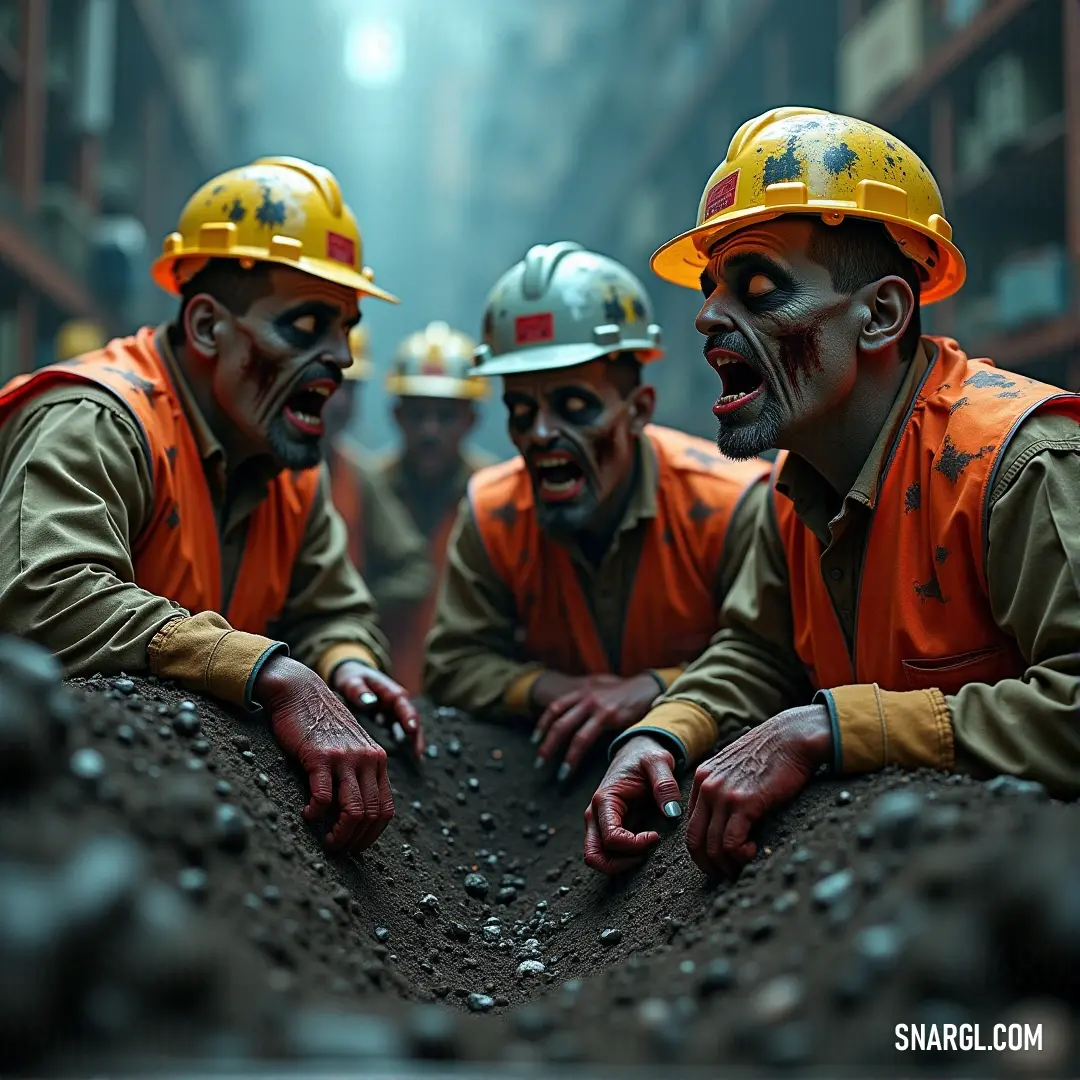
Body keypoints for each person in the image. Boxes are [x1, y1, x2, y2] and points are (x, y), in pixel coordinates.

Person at [583, 107, 1080, 878]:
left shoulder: (1017, 465)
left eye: (757, 289)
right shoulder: (797, 484)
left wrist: (833, 727)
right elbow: (758, 649)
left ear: (881, 314)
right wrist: (664, 734)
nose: (708, 315)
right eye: (714, 288)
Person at [0, 156, 423, 856]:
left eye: (343, 327)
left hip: (163, 801)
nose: (341, 358)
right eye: (307, 325)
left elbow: (329, 606)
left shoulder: (285, 457)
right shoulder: (99, 420)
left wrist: (347, 663)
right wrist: (270, 673)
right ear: (205, 327)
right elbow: (47, 597)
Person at [424, 241, 771, 782]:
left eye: (575, 407)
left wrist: (653, 689)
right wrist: (553, 690)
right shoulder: (493, 513)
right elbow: (451, 666)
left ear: (638, 411)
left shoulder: (730, 506)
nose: (540, 434)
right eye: (521, 411)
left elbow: (772, 664)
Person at [377, 321, 494, 693]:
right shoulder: (368, 487)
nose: (430, 431)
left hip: (471, 695)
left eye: (445, 416)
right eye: (417, 414)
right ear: (397, 415)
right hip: (375, 685)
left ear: (471, 420)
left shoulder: (494, 497)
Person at [323, 323, 434, 616]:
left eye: (351, 389)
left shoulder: (358, 476)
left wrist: (347, 609)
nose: (341, 403)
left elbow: (415, 571)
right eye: (330, 386)